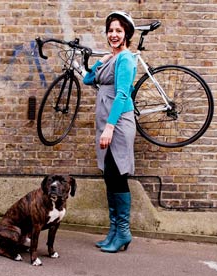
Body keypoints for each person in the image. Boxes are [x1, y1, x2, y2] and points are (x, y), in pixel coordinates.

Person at [83, 11, 137, 253]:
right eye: (110, 30)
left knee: (117, 176)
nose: (113, 34)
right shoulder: (111, 58)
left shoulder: (126, 59)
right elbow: (87, 80)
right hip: (105, 123)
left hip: (118, 124)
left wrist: (110, 128)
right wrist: (100, 61)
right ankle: (114, 231)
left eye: (118, 31)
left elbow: (123, 94)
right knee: (109, 177)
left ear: (126, 34)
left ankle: (123, 232)